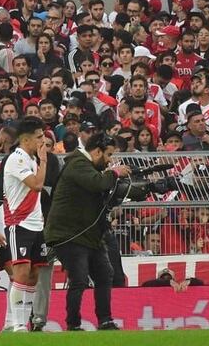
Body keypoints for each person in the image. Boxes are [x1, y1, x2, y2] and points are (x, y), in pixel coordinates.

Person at [44, 133, 130, 331]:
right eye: (108, 155)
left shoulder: (87, 166)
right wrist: (115, 173)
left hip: (89, 234)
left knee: (105, 274)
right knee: (79, 279)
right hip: (69, 234)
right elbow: (97, 183)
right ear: (97, 151)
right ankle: (73, 323)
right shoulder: (78, 164)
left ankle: (105, 320)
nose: (110, 161)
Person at [2, 118, 51, 332]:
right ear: (26, 140)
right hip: (19, 223)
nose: (43, 141)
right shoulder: (17, 159)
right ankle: (17, 324)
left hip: (36, 225)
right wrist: (44, 161)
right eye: (39, 137)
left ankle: (25, 323)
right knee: (21, 273)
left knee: (33, 275)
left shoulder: (31, 159)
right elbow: (37, 185)